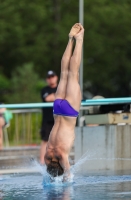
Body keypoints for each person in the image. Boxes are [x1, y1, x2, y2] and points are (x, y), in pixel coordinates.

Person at [44, 23, 84, 181]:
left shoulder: (61, 156)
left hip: (68, 112)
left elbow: (68, 175)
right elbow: (49, 166)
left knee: (73, 73)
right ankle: (70, 40)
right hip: (57, 108)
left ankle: (79, 40)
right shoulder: (48, 155)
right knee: (64, 73)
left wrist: (66, 177)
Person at [40, 71, 58, 164]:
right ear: (47, 79)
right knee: (45, 140)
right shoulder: (44, 90)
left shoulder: (60, 88)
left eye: (52, 76)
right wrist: (58, 95)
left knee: (59, 141)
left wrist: (54, 96)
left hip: (59, 119)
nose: (51, 78)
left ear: (56, 77)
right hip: (47, 119)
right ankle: (42, 162)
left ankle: (59, 160)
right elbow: (47, 99)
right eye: (49, 77)